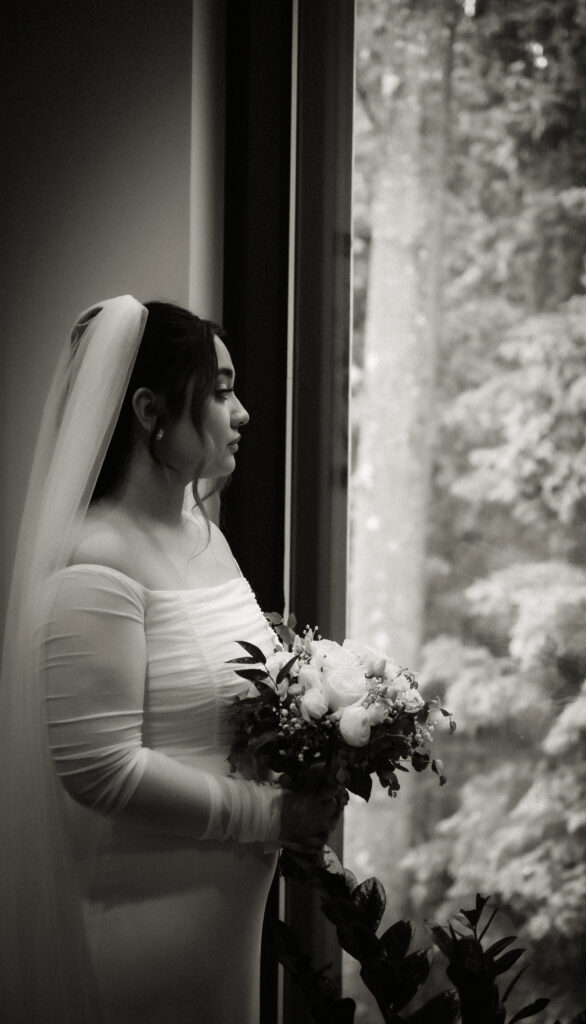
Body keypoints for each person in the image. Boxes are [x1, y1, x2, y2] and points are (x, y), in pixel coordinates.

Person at [0, 296, 338, 1023]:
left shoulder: (201, 533)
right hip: (143, 914)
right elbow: (100, 769)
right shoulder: (96, 562)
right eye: (219, 393)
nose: (241, 411)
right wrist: (268, 813)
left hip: (220, 914)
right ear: (151, 410)